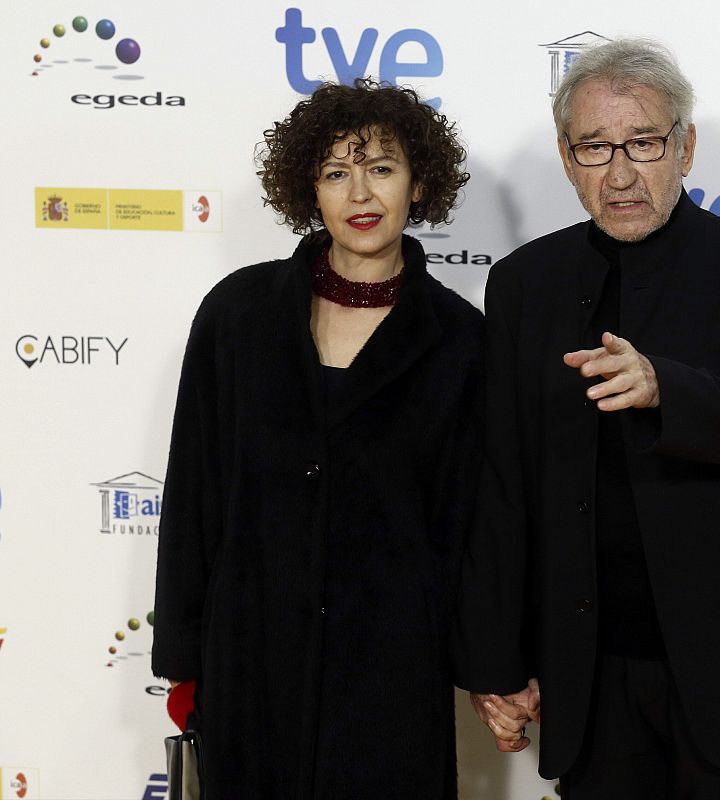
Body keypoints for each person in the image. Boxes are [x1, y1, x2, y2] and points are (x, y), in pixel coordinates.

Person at [454, 39, 720, 799]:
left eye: (643, 143)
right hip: (585, 665)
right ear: (567, 159)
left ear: (685, 147)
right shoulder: (523, 284)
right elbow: (503, 484)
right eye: (594, 147)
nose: (620, 173)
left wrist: (664, 386)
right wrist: (495, 662)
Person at [152, 78, 482, 799]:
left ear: (420, 182)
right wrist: (182, 661)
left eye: (381, 168)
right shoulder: (237, 314)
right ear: (311, 189)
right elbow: (194, 494)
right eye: (336, 172)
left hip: (393, 676)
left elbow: (470, 525)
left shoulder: (462, 340)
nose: (360, 193)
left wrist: (488, 667)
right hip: (250, 668)